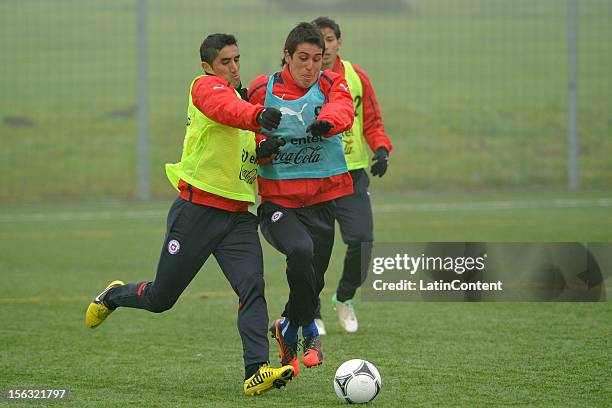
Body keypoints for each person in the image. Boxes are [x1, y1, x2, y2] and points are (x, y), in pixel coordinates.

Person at [84, 33, 295, 396]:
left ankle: (256, 371)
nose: (233, 67)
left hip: (238, 216)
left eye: (237, 60)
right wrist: (258, 115)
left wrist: (264, 150)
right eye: (225, 62)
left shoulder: (241, 100)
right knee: (160, 299)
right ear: (207, 67)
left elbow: (239, 149)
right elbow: (229, 113)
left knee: (252, 287)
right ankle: (115, 295)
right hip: (198, 212)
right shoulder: (205, 88)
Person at [247, 22, 355, 377]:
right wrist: (263, 148)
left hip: (324, 198)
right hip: (278, 202)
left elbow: (342, 109)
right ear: (287, 56)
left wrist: (326, 123)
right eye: (303, 58)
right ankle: (309, 330)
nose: (310, 67)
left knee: (314, 279)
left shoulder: (330, 83)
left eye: (317, 59)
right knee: (301, 251)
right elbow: (242, 139)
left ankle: (286, 327)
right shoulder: (264, 88)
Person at [311, 17, 393, 334]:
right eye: (319, 40)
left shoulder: (357, 78)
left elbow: (371, 121)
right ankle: (310, 310)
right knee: (313, 250)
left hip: (352, 175)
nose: (325, 46)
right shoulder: (304, 81)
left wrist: (381, 149)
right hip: (314, 176)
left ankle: (344, 297)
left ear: (338, 42)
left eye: (330, 39)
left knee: (362, 242)